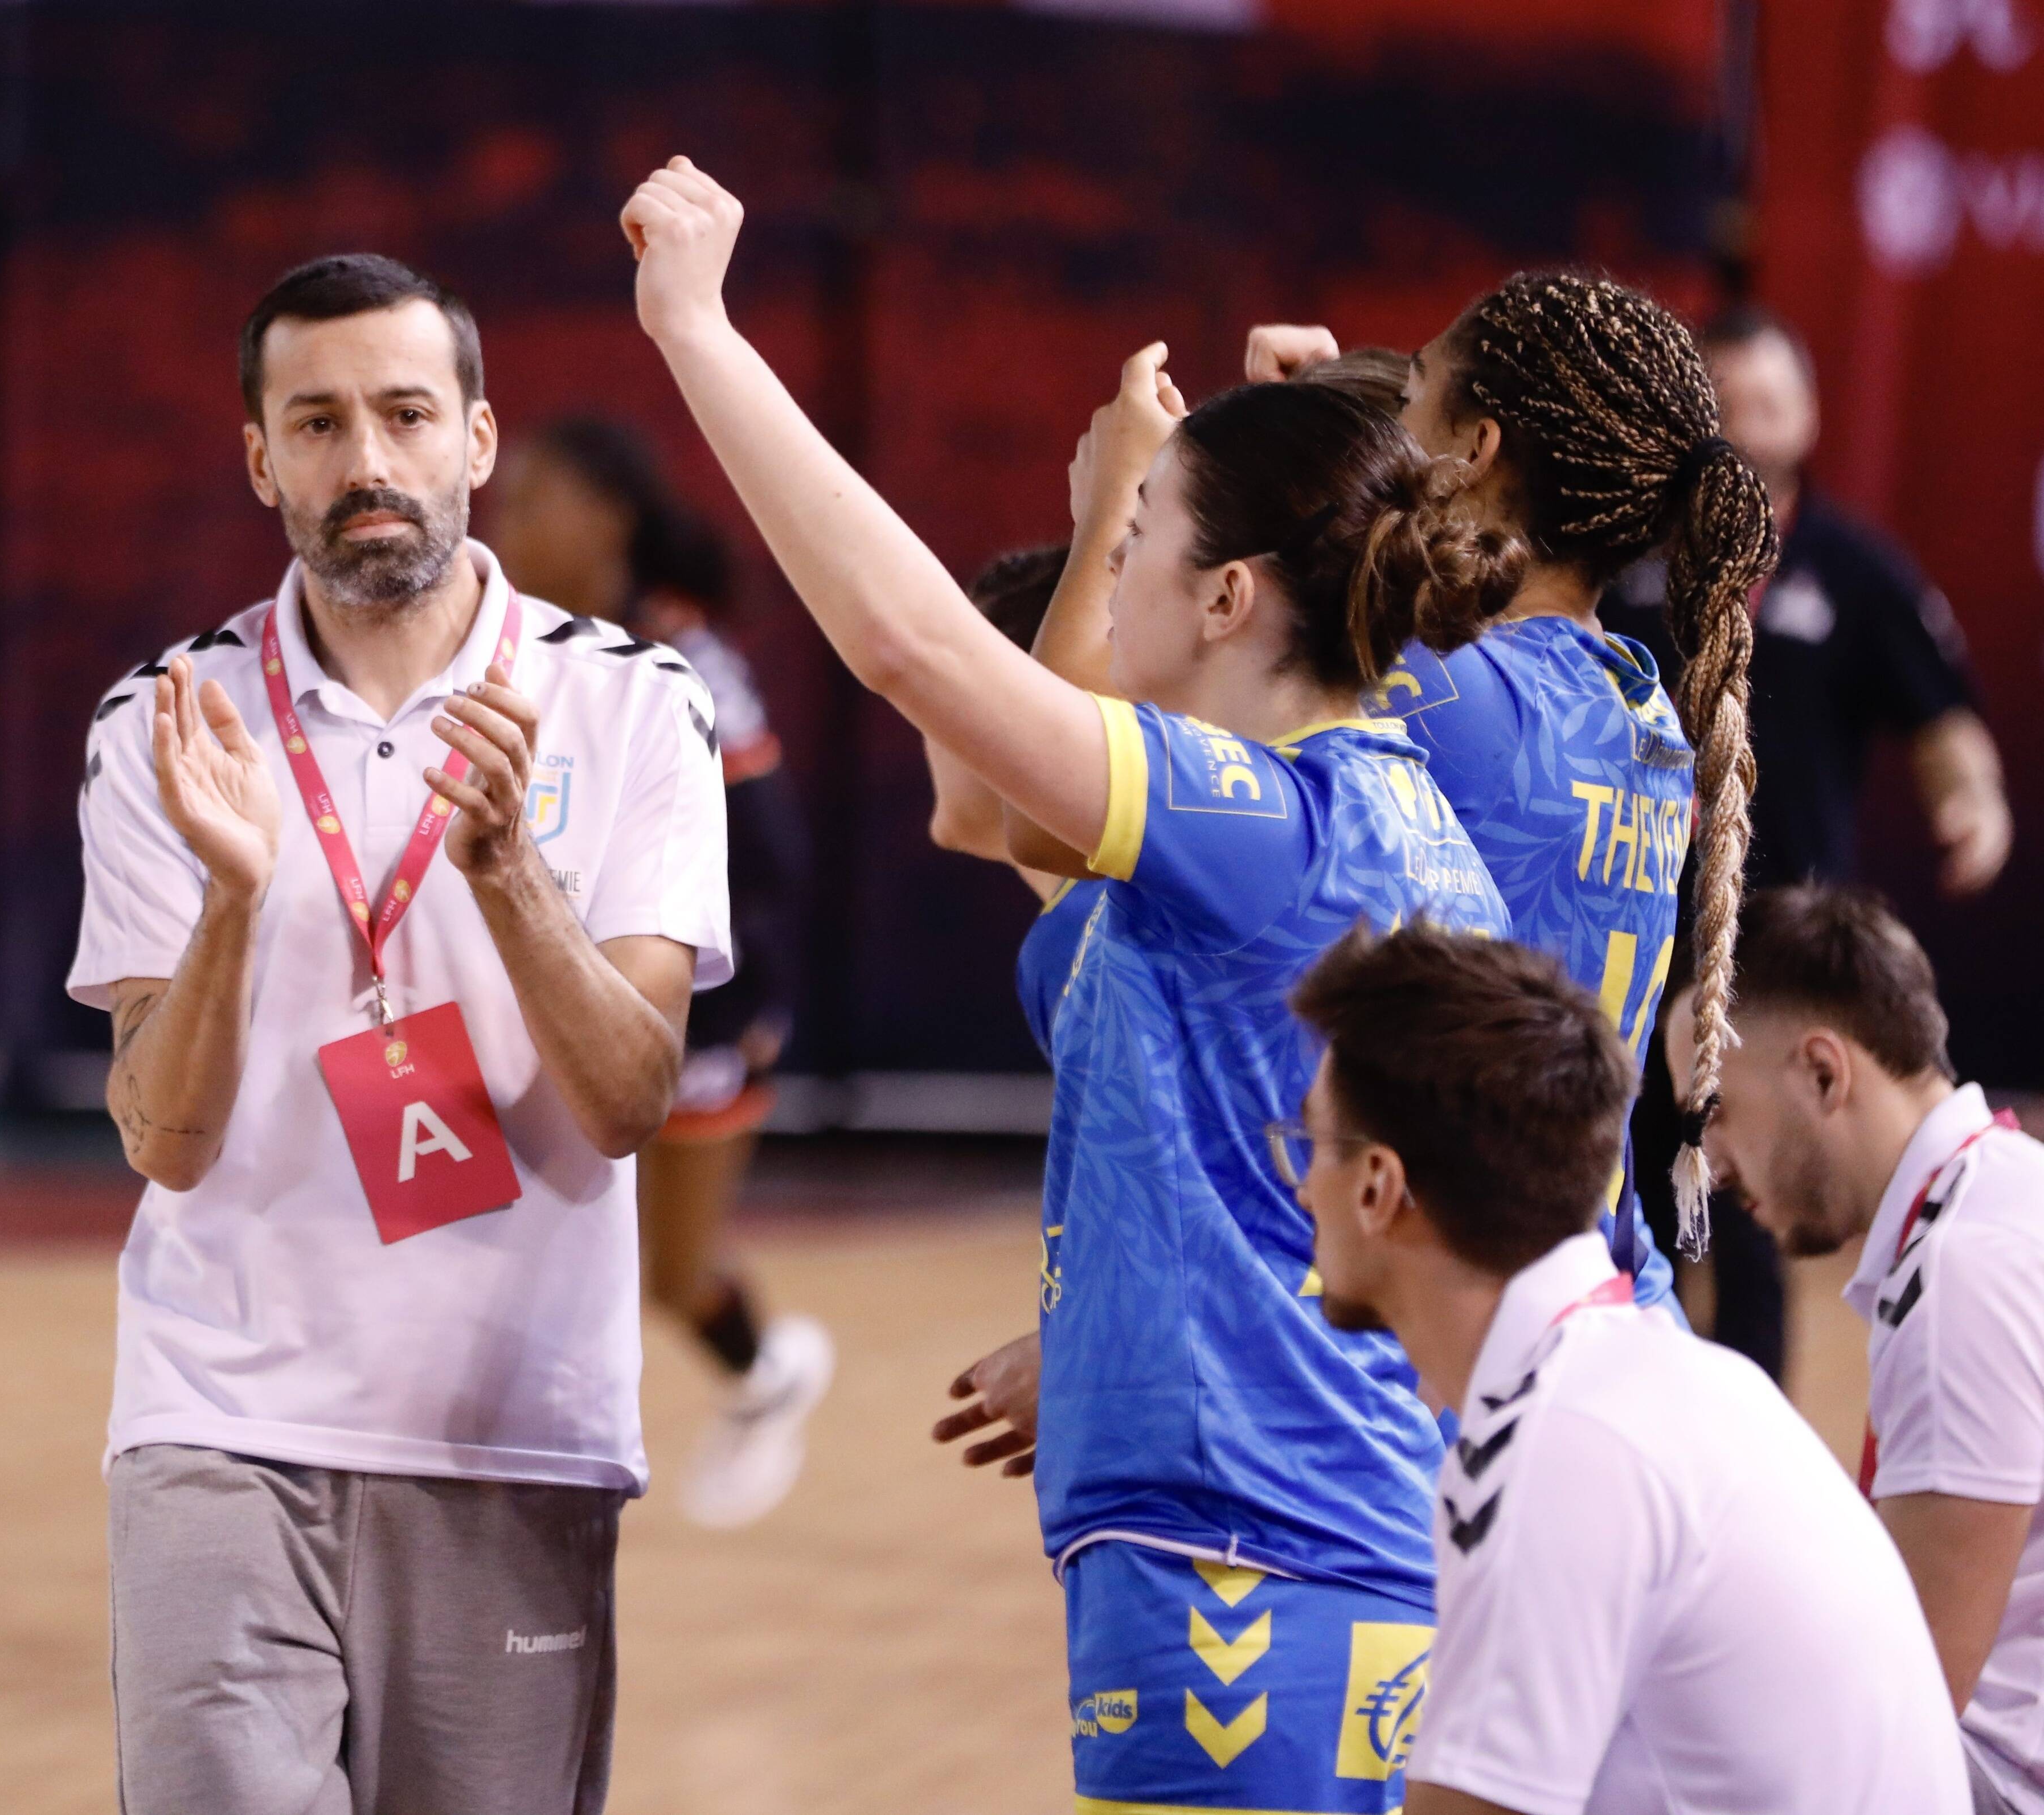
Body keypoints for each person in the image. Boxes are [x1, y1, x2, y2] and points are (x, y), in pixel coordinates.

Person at [626, 156, 1515, 1813]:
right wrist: (1123, 1326)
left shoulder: (1271, 826)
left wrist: (696, 324)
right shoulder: (1331, 824)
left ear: (1232, 595)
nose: (1110, 577)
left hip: (1255, 1581)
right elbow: (982, 797)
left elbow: (912, 652)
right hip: (1300, 1544)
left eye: (1149, 546)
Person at [68, 253, 730, 1814]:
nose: (366, 462)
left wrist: (508, 873)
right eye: (316, 423)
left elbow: (632, 1096)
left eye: (405, 413)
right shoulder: (165, 721)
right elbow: (163, 1137)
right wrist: (236, 898)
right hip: (218, 1415)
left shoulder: (638, 707)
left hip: (514, 1430)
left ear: (479, 440)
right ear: (259, 459)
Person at [1289, 919, 1968, 1814]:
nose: (1300, 1187)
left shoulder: (1559, 1446)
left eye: (1310, 1146)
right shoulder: (1658, 1381)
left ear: (1379, 1186)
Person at [1232, 278, 1780, 1293]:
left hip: (1463, 1298)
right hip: (1596, 1271)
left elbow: (1188, 644)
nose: (1391, 426)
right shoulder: (1642, 707)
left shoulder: (1448, 692)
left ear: (1474, 449)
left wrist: (1279, 443)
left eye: (1412, 397)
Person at [1607, 304, 2014, 1382]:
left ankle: (1749, 1444)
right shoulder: (1628, 562)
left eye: (1767, 403)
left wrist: (1973, 802)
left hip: (1777, 965)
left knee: (1746, 1220)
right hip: (1636, 942)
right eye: (1723, 402)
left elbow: (1943, 722)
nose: (1745, 426)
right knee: (1629, 1205)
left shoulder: (1855, 569)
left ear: (1810, 416)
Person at [487, 416, 830, 1530]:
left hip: (702, 1005)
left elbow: (772, 849)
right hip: (553, 992)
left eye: (532, 499)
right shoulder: (506, 646)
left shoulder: (681, 659)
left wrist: (739, 1007)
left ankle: (769, 1371)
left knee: (674, 1277)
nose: (505, 522)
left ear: (608, 520)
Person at [1682, 884, 2044, 1814]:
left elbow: (1909, 1709)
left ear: (1822, 1074)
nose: (1710, 1163)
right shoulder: (1993, 1202)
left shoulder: (1964, 1267)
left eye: (1715, 1110)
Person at [923, 546, 1080, 1484]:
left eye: (954, 681)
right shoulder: (1073, 930)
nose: (925, 718)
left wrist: (1101, 1351)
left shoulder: (1117, 930)